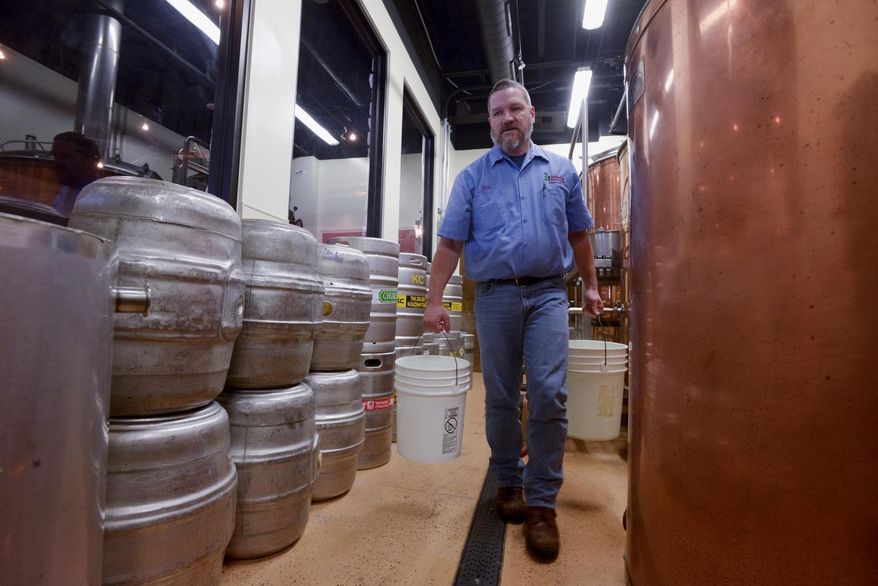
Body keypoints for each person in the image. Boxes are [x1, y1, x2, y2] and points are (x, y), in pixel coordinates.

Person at [423, 79, 603, 561]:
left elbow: (580, 234)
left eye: (515, 109)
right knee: (500, 397)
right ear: (490, 122)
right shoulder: (472, 177)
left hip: (547, 293)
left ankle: (542, 503)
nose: (507, 118)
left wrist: (589, 285)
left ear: (531, 114)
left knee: (548, 391)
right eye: (498, 112)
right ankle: (508, 482)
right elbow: (449, 245)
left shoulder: (561, 171)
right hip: (494, 297)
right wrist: (433, 299)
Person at [51, 131, 101, 216]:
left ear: (90, 161)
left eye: (66, 156)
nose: (57, 163)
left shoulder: (99, 198)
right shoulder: (65, 191)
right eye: (55, 156)